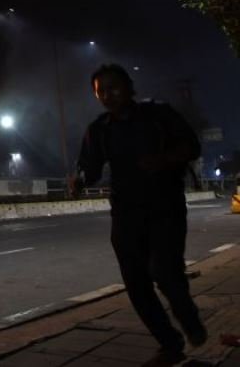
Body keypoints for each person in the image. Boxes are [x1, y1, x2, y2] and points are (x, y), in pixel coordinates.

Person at [70, 64, 207, 366]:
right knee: (136, 284)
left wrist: (164, 159)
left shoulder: (159, 114)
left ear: (130, 87)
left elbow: (192, 147)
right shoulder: (99, 129)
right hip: (125, 215)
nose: (108, 95)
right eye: (101, 90)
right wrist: (79, 179)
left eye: (114, 87)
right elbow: (88, 166)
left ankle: (189, 319)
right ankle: (169, 344)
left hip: (165, 208)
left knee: (165, 272)